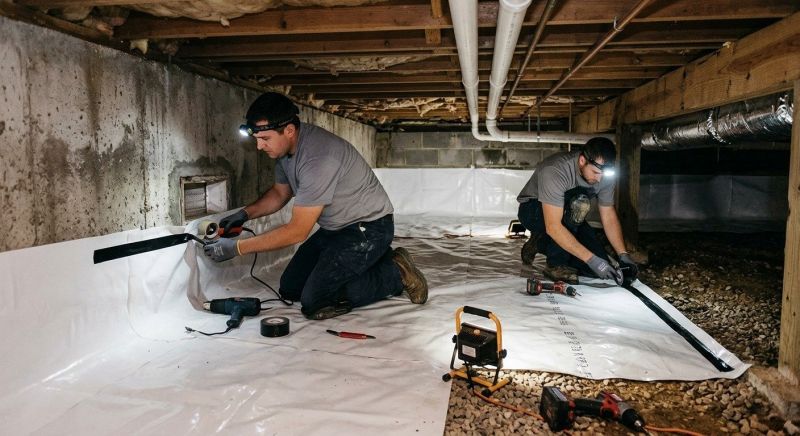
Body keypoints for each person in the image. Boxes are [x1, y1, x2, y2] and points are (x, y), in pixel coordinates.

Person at [203, 92, 428, 320]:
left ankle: (395, 272)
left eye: (265, 139)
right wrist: (244, 214)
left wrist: (238, 248)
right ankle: (373, 260)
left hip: (368, 229)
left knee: (315, 301)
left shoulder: (318, 158)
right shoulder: (285, 151)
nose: (260, 146)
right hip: (335, 229)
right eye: (257, 139)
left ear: (289, 130)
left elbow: (297, 231)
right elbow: (281, 193)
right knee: (290, 288)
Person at [516, 137, 637, 284]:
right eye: (595, 172)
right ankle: (554, 263)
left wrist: (622, 254)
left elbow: (609, 215)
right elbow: (554, 226)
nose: (599, 179)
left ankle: (540, 243)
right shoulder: (556, 170)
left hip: (570, 214)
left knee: (595, 270)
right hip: (534, 211)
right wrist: (592, 259)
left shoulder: (604, 174)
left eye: (603, 175)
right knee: (579, 206)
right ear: (582, 161)